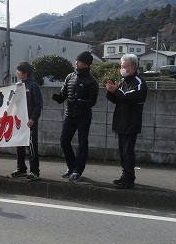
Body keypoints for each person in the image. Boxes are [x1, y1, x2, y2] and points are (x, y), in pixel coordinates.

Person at [52, 51, 99, 181]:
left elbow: (92, 102)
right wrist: (59, 98)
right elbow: (64, 93)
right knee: (64, 141)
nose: (76, 63)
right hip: (70, 115)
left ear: (86, 64)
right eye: (76, 60)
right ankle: (71, 166)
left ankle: (78, 171)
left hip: (84, 117)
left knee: (82, 144)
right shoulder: (70, 77)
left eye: (79, 61)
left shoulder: (92, 81)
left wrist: (77, 102)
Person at [106, 53, 148, 189]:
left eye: (123, 66)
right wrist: (111, 91)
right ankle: (125, 175)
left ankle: (129, 178)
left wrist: (116, 91)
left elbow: (129, 97)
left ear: (132, 67)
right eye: (121, 66)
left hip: (131, 122)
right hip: (121, 121)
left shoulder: (139, 83)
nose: (121, 69)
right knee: (122, 151)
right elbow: (117, 99)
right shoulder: (124, 81)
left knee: (128, 151)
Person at [9, 62, 43, 181]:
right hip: (20, 121)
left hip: (30, 121)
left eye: (18, 71)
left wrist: (33, 118)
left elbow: (39, 105)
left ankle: (34, 171)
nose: (16, 73)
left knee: (32, 146)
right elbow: (14, 102)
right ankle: (21, 168)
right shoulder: (19, 85)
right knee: (20, 144)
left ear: (25, 73)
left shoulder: (33, 86)